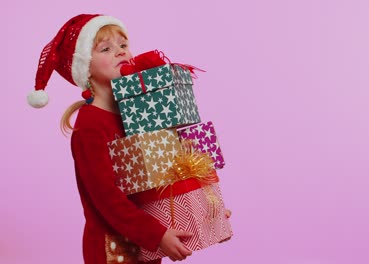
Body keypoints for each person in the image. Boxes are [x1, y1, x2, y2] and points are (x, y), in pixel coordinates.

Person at [27, 14, 230, 264]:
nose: (120, 52)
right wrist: (157, 235)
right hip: (113, 251)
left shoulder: (138, 113)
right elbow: (106, 198)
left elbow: (167, 172)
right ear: (85, 68)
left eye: (123, 45)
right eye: (106, 48)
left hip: (147, 247)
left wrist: (205, 213)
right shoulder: (90, 125)